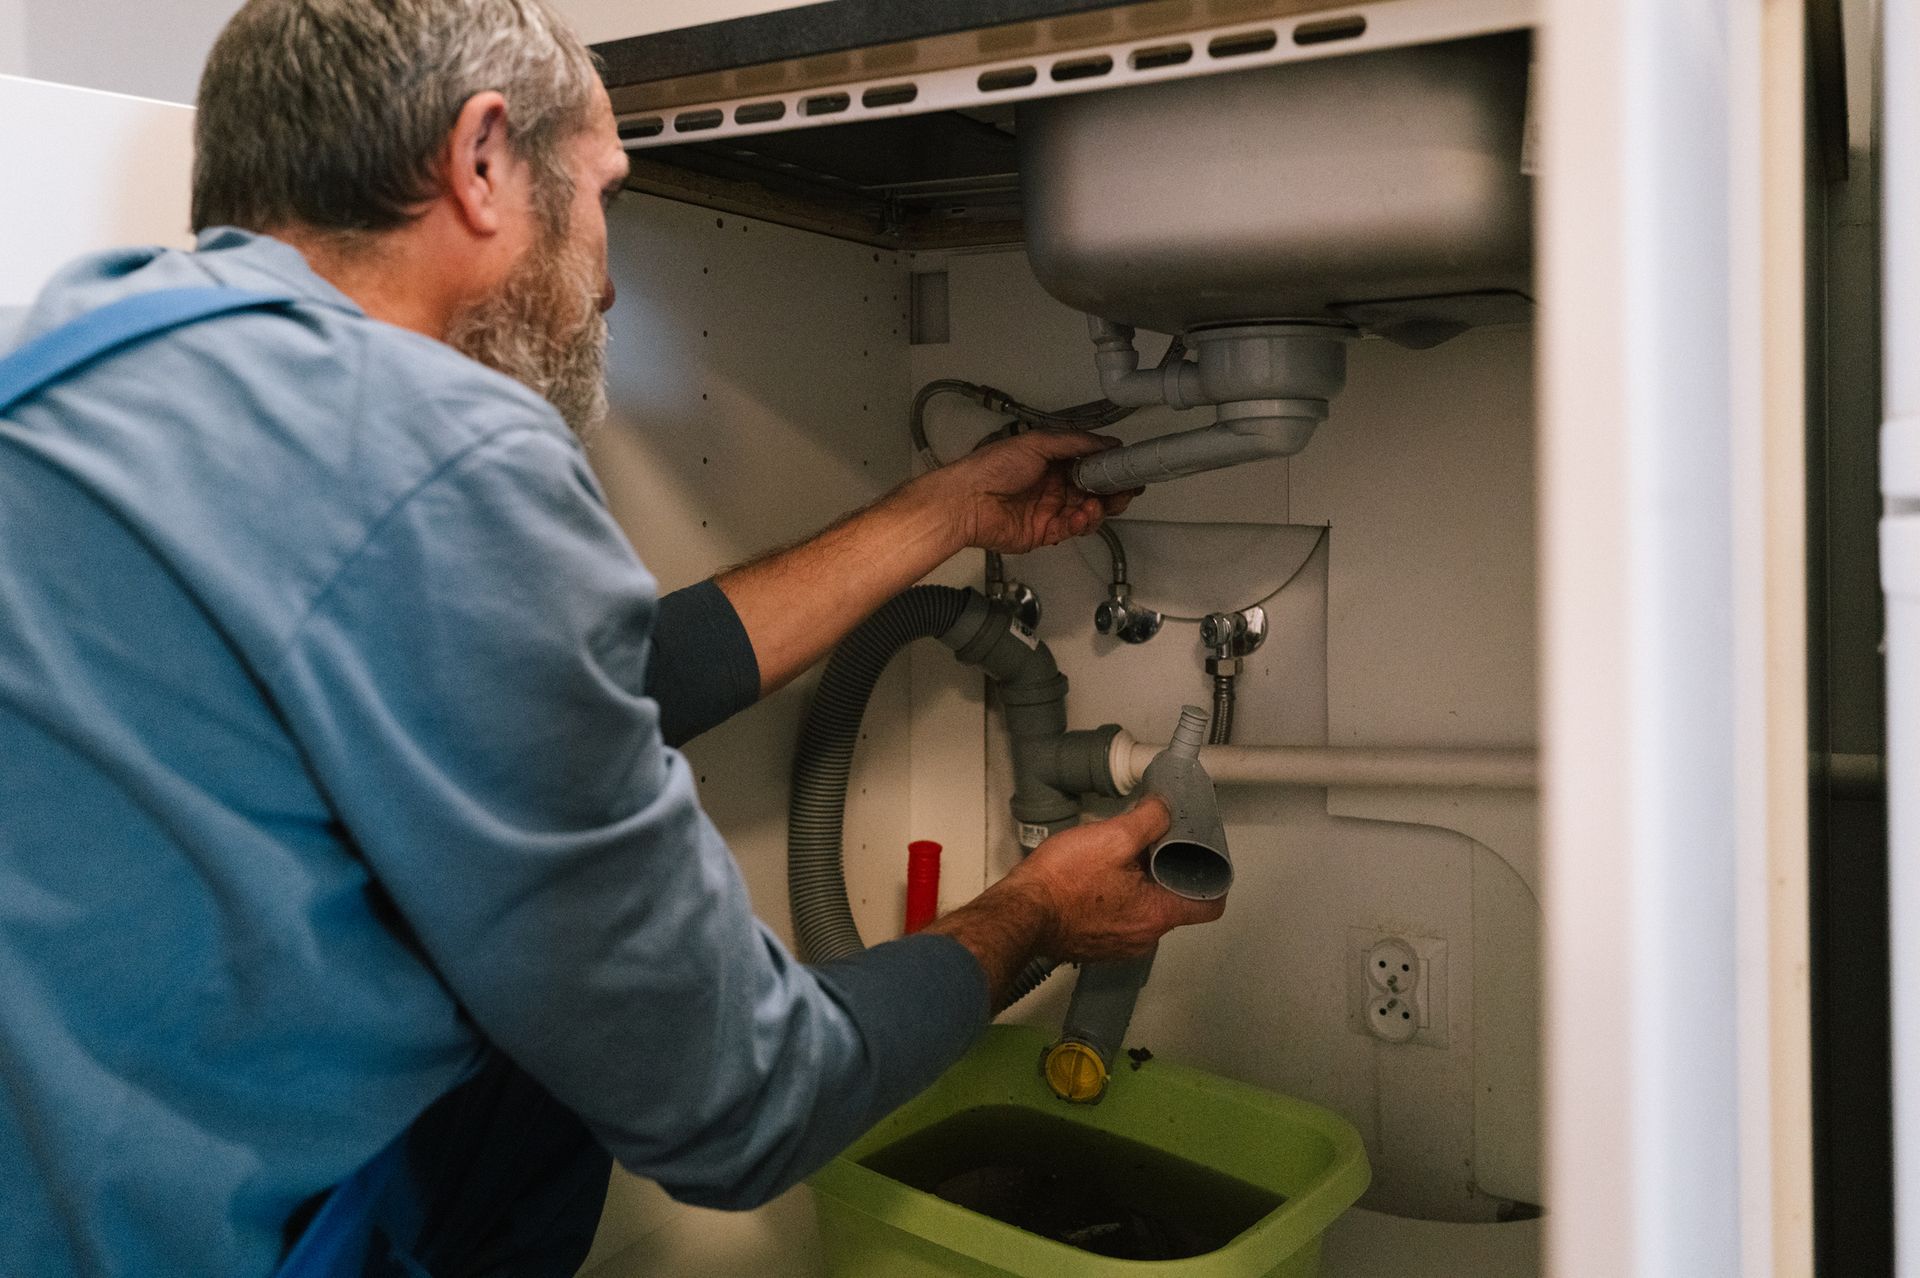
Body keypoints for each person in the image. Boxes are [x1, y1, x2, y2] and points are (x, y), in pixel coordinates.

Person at [0, 1, 1226, 1273]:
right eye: (603, 194)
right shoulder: (440, 444)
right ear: (482, 163)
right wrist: (1034, 911)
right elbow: (745, 1105)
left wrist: (947, 509)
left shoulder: (71, 362)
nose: (611, 275)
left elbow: (573, 690)